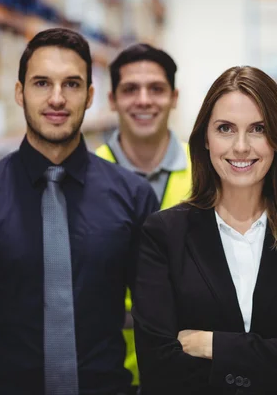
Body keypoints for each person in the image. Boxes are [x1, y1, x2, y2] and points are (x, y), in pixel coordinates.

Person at [0, 28, 158, 395]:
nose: (56, 98)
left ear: (90, 95)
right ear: (20, 93)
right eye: (41, 83)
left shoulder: (134, 198)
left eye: (71, 84)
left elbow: (158, 328)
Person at [132, 66, 277, 395]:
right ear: (206, 137)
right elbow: (160, 369)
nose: (242, 146)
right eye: (225, 129)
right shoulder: (163, 235)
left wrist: (212, 345)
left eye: (258, 129)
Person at [95, 43, 191, 392]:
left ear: (174, 96)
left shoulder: (209, 175)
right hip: (105, 372)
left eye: (156, 89)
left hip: (189, 373)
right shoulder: (84, 176)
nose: (144, 100)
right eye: (130, 89)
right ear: (111, 99)